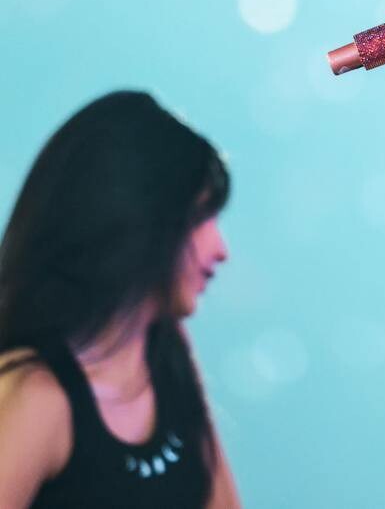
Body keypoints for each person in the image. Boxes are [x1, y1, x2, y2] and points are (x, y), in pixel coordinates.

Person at [0, 91, 239, 508]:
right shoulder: (36, 396)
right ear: (133, 219)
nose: (221, 249)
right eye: (201, 217)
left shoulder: (168, 352)